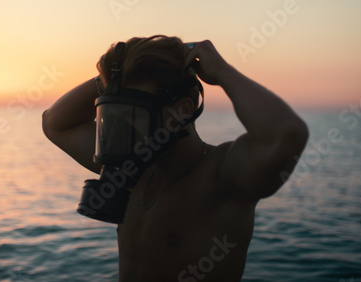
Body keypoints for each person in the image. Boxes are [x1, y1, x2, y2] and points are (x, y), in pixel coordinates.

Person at [42, 35, 309, 281]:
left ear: (182, 110)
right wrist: (110, 79)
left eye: (133, 112)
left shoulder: (222, 176)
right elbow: (54, 123)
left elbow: (286, 134)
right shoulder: (131, 167)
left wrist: (220, 70)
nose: (120, 127)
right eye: (114, 112)